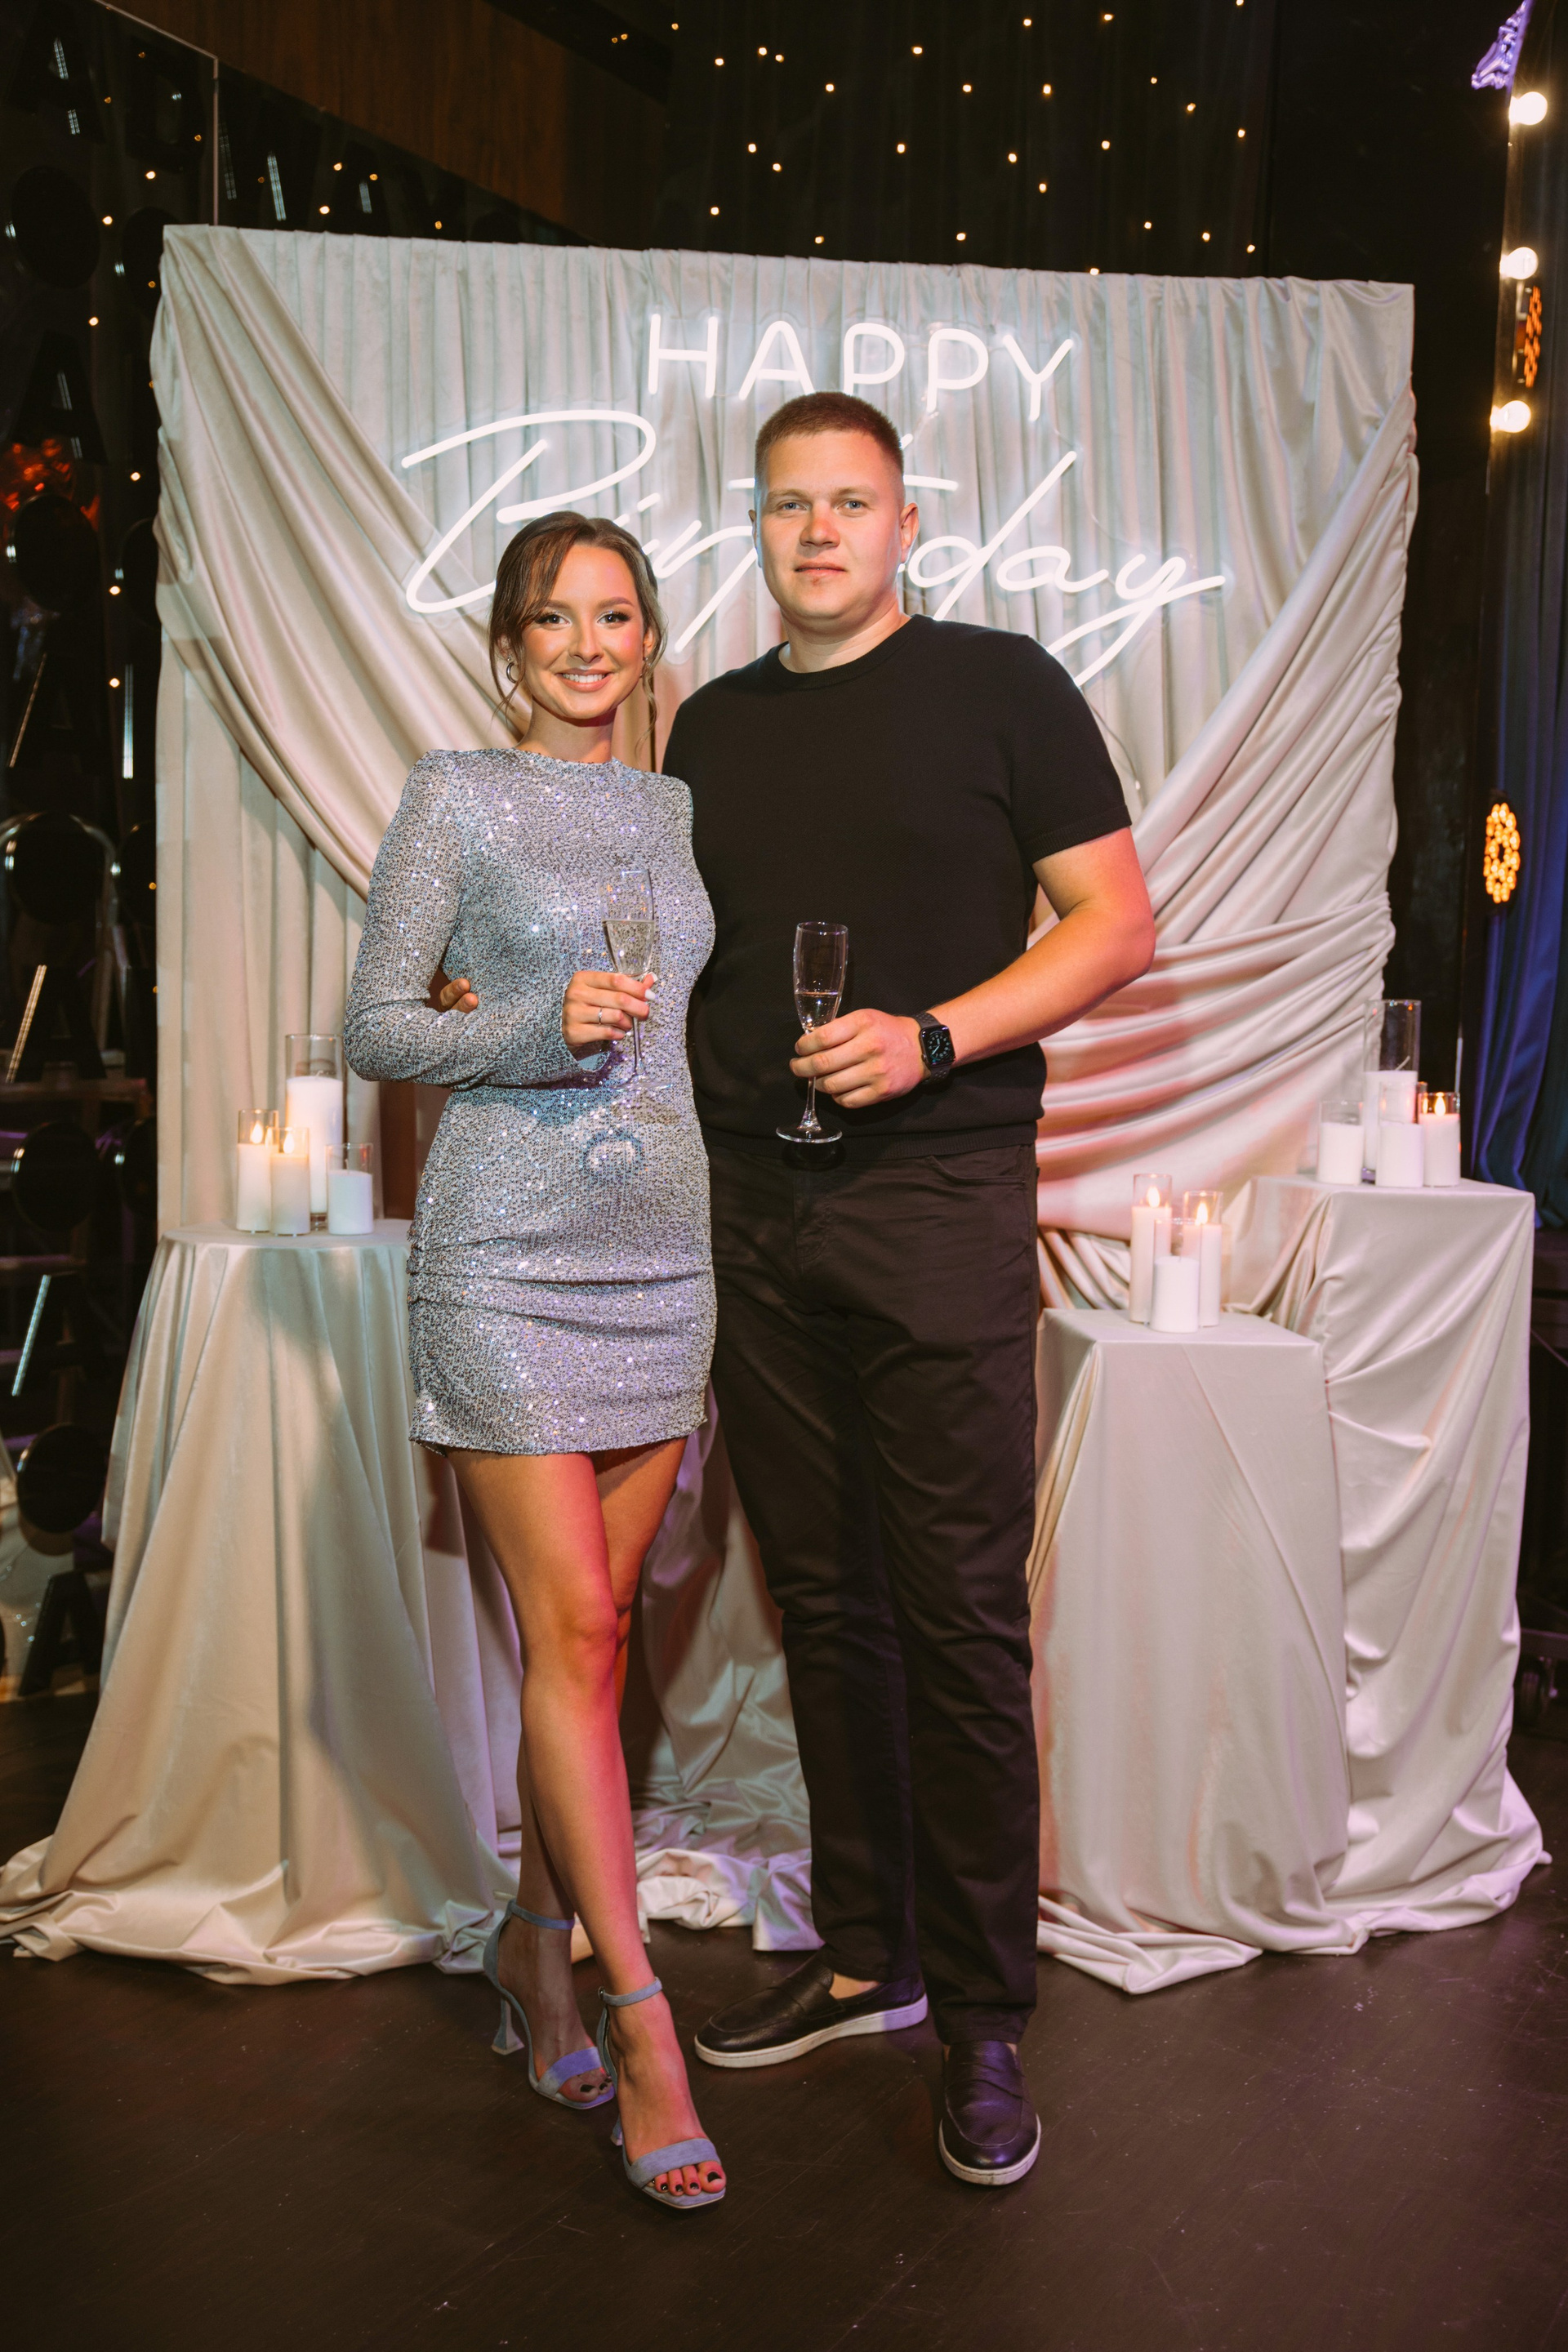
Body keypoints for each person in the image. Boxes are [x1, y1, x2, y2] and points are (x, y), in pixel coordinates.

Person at [666, 391, 1156, 2187]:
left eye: (849, 503)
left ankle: (986, 2023)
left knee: (956, 1617)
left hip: (940, 1194)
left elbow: (1114, 923)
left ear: (906, 524)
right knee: (825, 1600)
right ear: (758, 527)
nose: (817, 532)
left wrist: (936, 1035)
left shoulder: (1002, 686)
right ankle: (868, 1959)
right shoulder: (710, 727)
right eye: (787, 505)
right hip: (752, 1206)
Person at [344, 511, 726, 2214]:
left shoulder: (675, 810)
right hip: (504, 1255)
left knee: (597, 1639)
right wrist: (529, 1022)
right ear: (509, 647)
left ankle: (535, 1946)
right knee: (573, 1632)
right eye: (553, 619)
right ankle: (646, 2027)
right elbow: (372, 1024)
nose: (586, 645)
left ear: (648, 639)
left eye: (615, 615)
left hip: (663, 1257)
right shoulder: (456, 796)